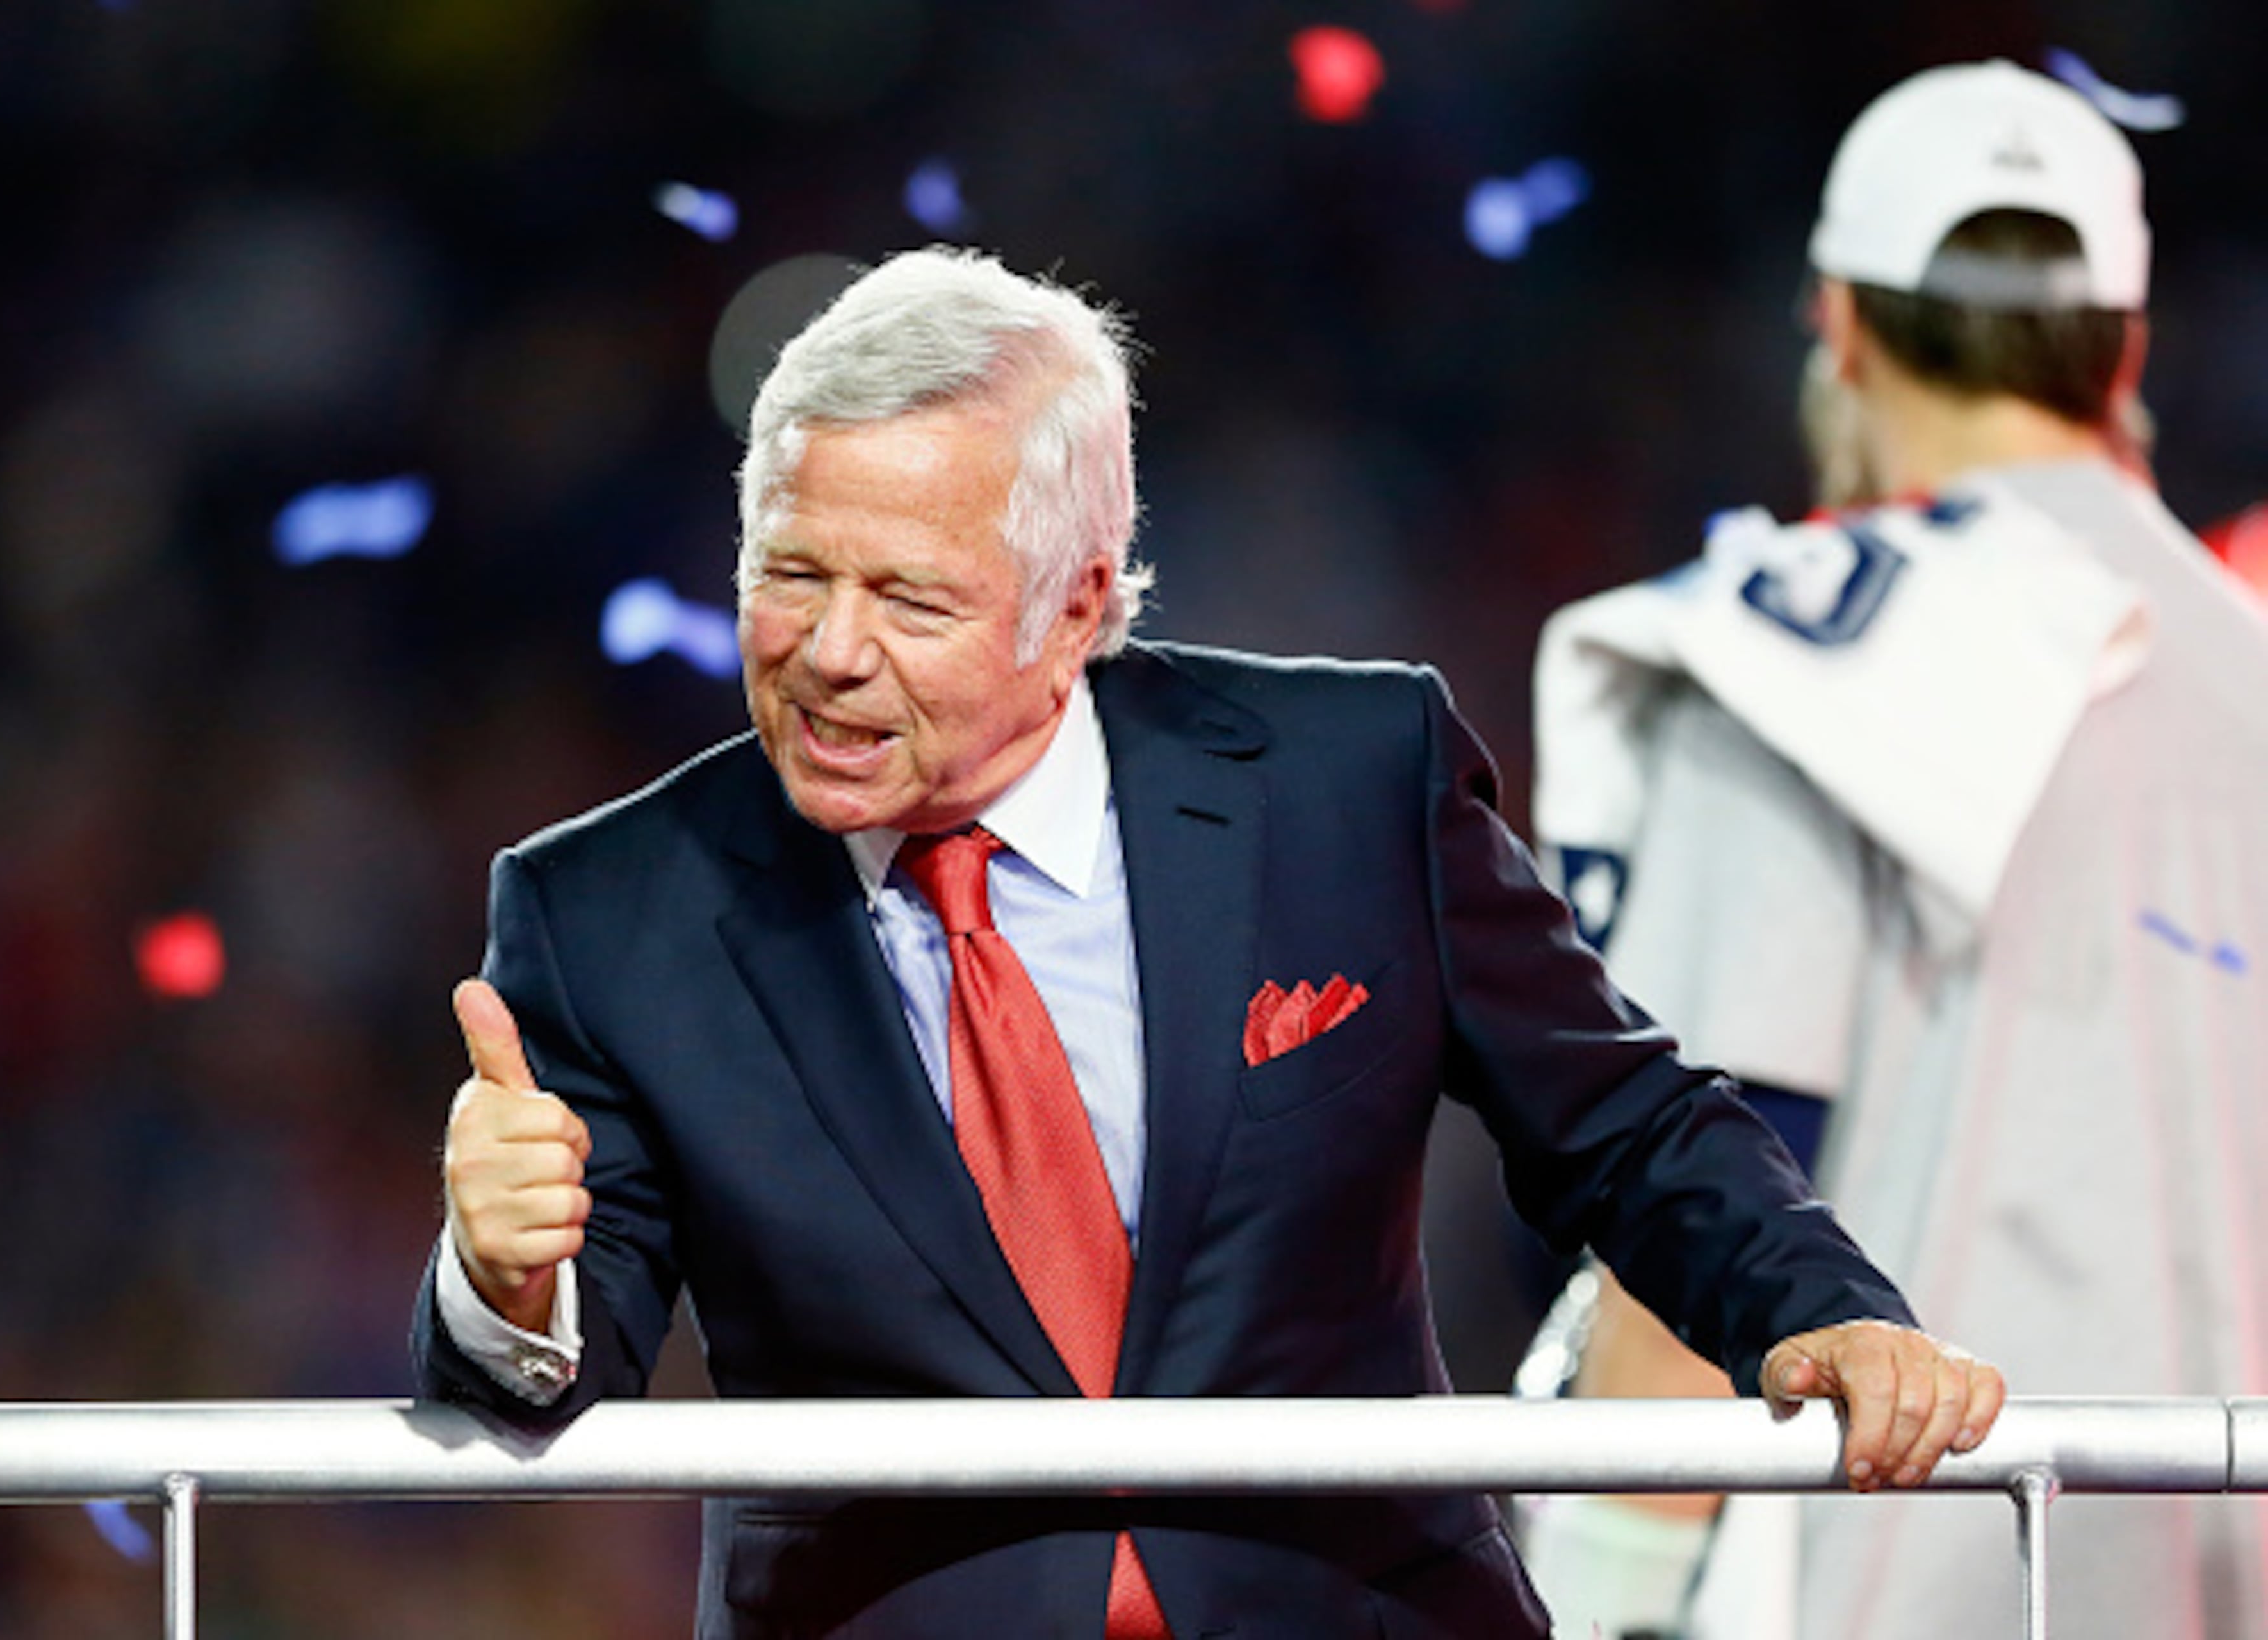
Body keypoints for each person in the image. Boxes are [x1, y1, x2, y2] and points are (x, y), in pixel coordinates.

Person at [412, 244, 2002, 1640]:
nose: (829, 652)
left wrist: (1823, 1311)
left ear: (1079, 600)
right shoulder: (608, 905)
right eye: (790, 573)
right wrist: (504, 1271)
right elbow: (549, 1365)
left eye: (910, 597)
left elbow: (1625, 1127)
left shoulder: (1350, 780)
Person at [1521, 60, 2268, 1639]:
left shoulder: (1809, 657)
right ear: (2123, 347)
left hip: (1925, 1577)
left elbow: (1699, 1210)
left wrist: (1597, 1595)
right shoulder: (2252, 653)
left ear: (1839, 326)